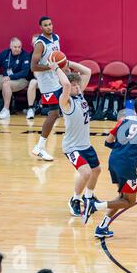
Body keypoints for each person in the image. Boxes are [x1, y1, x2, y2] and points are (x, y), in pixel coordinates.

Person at [81, 97, 137, 237]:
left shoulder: (123, 120)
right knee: (130, 201)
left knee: (122, 196)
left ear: (134, 109)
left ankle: (102, 227)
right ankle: (95, 206)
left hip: (113, 160)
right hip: (127, 165)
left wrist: (120, 149)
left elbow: (108, 141)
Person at [50, 57, 98, 217]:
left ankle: (89, 197)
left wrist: (67, 63)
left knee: (96, 170)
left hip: (85, 144)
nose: (77, 87)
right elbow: (66, 84)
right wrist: (56, 68)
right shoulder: (66, 101)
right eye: (74, 85)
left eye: (78, 84)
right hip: (72, 147)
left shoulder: (80, 95)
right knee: (86, 173)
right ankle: (75, 199)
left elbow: (88, 71)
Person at [31, 16, 62, 161]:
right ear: (41, 27)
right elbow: (33, 66)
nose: (49, 27)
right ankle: (39, 147)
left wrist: (62, 67)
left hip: (57, 79)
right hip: (47, 84)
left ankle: (72, 143)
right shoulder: (40, 43)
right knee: (54, 113)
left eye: (50, 24)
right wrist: (49, 68)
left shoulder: (56, 37)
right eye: (45, 25)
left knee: (66, 108)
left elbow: (57, 58)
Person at [26, 34, 41, 120]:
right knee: (32, 82)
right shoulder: (32, 55)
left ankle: (53, 110)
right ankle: (30, 109)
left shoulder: (48, 53)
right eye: (33, 43)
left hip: (51, 78)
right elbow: (35, 72)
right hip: (39, 79)